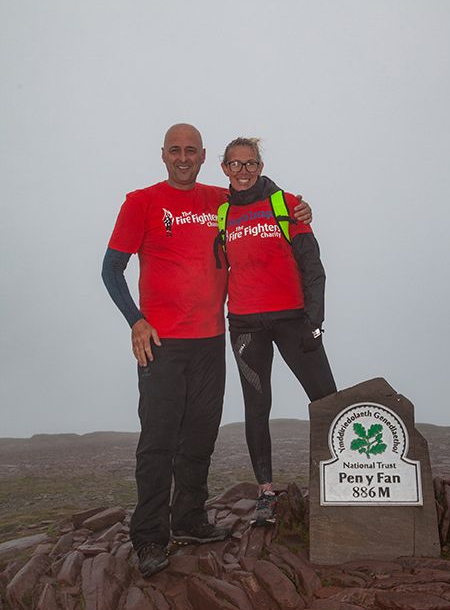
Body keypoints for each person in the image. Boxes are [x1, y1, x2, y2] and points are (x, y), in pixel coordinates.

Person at [102, 124, 311, 578]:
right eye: (175, 150)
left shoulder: (218, 197)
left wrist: (299, 206)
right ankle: (150, 537)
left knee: (200, 436)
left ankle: (191, 520)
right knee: (158, 442)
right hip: (161, 342)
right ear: (163, 155)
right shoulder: (141, 201)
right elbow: (111, 268)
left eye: (191, 151)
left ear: (202, 157)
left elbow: (258, 189)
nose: (183, 158)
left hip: (211, 338)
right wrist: (135, 320)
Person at [218, 136, 337, 526]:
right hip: (245, 324)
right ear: (224, 169)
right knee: (257, 406)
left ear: (261, 166)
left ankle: (341, 480)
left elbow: (312, 266)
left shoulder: (286, 205)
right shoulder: (221, 214)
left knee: (326, 400)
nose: (243, 171)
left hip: (292, 320)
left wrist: (314, 322)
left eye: (250, 163)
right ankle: (266, 494)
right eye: (235, 164)